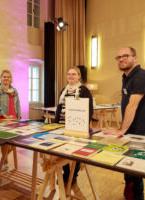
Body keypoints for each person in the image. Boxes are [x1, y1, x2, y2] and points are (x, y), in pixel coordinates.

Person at [103, 47, 145, 200]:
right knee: (127, 165)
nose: (121, 59)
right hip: (130, 131)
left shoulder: (141, 76)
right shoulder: (126, 77)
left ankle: (137, 197)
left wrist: (121, 130)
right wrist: (123, 129)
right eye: (118, 57)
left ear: (135, 58)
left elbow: (133, 105)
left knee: (136, 170)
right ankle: (129, 195)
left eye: (125, 56)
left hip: (141, 131)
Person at [54, 66, 93, 199]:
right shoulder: (63, 91)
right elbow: (59, 108)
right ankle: (66, 174)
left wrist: (84, 126)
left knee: (75, 153)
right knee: (62, 151)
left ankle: (73, 176)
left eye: (74, 74)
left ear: (79, 76)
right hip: (62, 125)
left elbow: (89, 109)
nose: (71, 76)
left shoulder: (84, 90)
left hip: (77, 127)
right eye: (69, 74)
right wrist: (55, 123)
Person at [0, 69, 21, 171]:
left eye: (8, 77)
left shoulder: (14, 91)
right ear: (1, 78)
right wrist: (4, 115)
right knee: (4, 143)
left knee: (14, 142)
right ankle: (5, 164)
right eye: (4, 76)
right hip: (2, 119)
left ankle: (2, 159)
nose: (6, 78)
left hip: (14, 118)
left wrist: (19, 116)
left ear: (11, 79)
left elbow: (17, 104)